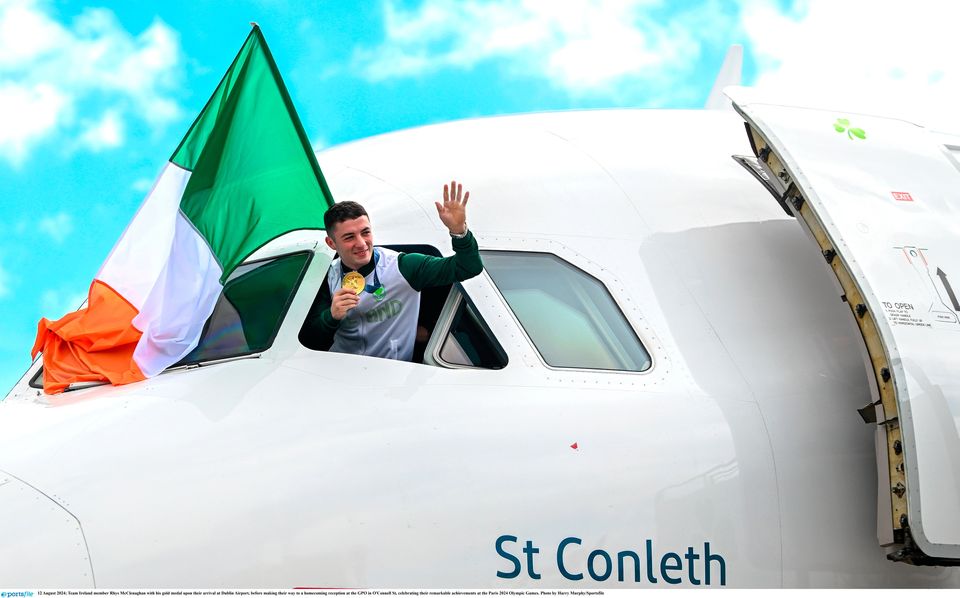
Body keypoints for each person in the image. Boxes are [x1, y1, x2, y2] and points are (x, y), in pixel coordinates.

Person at [299, 180, 483, 361]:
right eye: (349, 237)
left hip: (392, 375)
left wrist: (459, 232)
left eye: (365, 232)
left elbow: (468, 267)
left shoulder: (403, 267)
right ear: (331, 243)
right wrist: (330, 317)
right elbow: (309, 340)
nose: (362, 244)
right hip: (344, 375)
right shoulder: (326, 276)